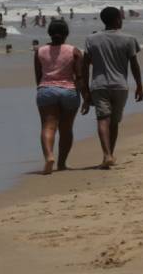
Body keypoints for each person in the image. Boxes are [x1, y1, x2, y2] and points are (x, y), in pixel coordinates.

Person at [83, 7, 143, 169]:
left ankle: (107, 154)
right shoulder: (129, 39)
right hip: (120, 86)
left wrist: (85, 90)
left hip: (99, 85)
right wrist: (139, 85)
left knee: (103, 119)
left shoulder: (91, 39)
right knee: (114, 122)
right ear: (118, 19)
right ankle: (110, 154)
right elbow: (134, 65)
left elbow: (84, 66)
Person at [34, 20, 83, 174]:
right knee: (66, 128)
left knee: (48, 126)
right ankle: (61, 163)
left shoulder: (40, 51)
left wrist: (42, 89)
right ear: (66, 33)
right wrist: (85, 96)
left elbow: (38, 76)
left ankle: (49, 156)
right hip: (69, 91)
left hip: (46, 90)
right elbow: (79, 76)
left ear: (49, 33)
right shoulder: (75, 51)